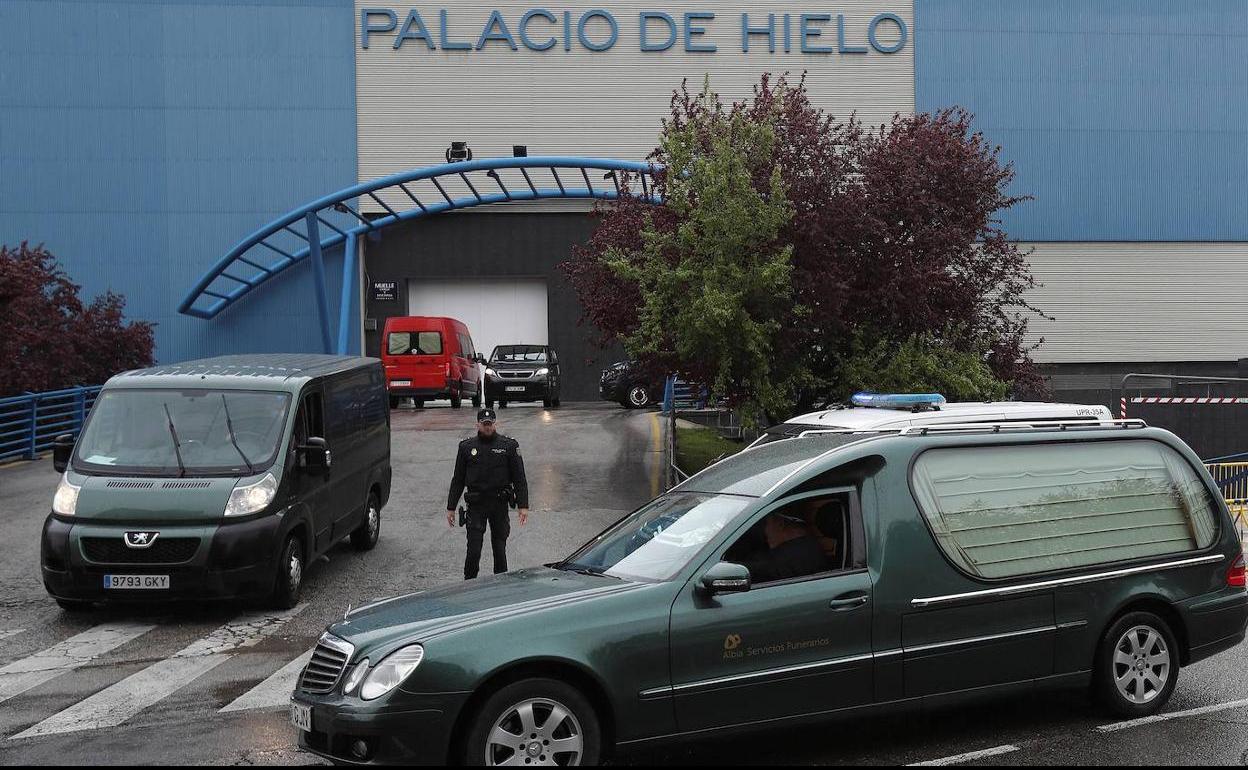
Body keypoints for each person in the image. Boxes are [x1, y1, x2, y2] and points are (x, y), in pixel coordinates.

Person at [446, 408, 530, 579]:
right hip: (476, 505)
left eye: (490, 424)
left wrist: (523, 506)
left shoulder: (508, 446)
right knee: (473, 551)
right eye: (484, 424)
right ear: (477, 425)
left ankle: (501, 587)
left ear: (495, 424)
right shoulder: (466, 447)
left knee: (499, 549)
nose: (487, 427)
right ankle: (469, 585)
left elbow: (519, 478)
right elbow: (458, 479)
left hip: (499, 504)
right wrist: (451, 507)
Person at [737, 510, 828, 584]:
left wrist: (733, 568)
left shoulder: (795, 556)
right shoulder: (807, 547)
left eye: (766, 524)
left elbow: (766, 569)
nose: (765, 531)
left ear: (780, 524)